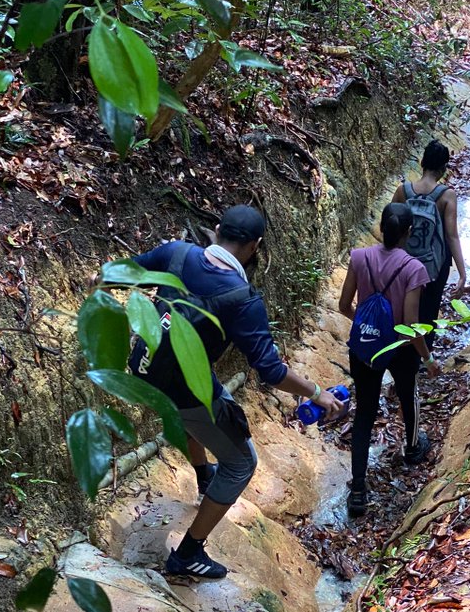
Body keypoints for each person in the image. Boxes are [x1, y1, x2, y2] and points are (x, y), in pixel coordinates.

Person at [127, 205, 342, 580]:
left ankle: (203, 476)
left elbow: (119, 272)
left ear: (216, 230)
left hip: (141, 369)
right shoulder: (242, 298)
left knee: (201, 408)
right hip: (183, 386)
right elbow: (272, 372)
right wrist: (315, 392)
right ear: (255, 246)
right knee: (243, 463)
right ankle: (188, 554)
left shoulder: (176, 252)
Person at [337, 203, 442, 517]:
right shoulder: (414, 270)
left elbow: (345, 306)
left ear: (381, 228)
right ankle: (412, 448)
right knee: (407, 394)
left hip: (365, 346)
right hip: (400, 348)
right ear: (409, 233)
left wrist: (369, 327)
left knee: (365, 413)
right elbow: (410, 326)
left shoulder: (359, 257)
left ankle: (358, 489)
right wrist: (428, 357)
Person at [393, 140, 468, 335]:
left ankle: (399, 352)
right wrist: (462, 273)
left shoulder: (403, 190)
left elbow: (389, 226)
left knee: (401, 308)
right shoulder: (447, 195)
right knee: (428, 313)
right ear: (443, 168)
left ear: (422, 162)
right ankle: (423, 357)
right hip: (434, 266)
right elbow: (452, 236)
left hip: (404, 262)